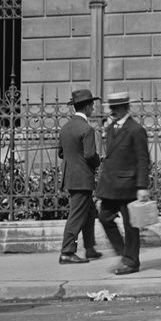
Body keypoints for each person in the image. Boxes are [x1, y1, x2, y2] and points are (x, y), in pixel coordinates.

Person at [95, 91, 152, 275]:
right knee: (104, 217)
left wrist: (142, 187)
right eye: (112, 108)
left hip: (129, 186)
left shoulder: (136, 130)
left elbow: (143, 160)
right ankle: (123, 252)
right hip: (111, 186)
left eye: (117, 108)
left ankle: (131, 262)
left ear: (126, 108)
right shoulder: (111, 129)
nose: (113, 112)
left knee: (131, 225)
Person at [57, 88, 106, 264]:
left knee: (89, 212)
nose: (93, 108)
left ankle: (90, 248)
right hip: (82, 179)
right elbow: (90, 155)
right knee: (77, 215)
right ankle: (67, 251)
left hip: (70, 177)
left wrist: (75, 156)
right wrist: (98, 161)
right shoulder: (87, 129)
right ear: (85, 107)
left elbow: (61, 153)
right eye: (92, 105)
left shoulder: (65, 128)